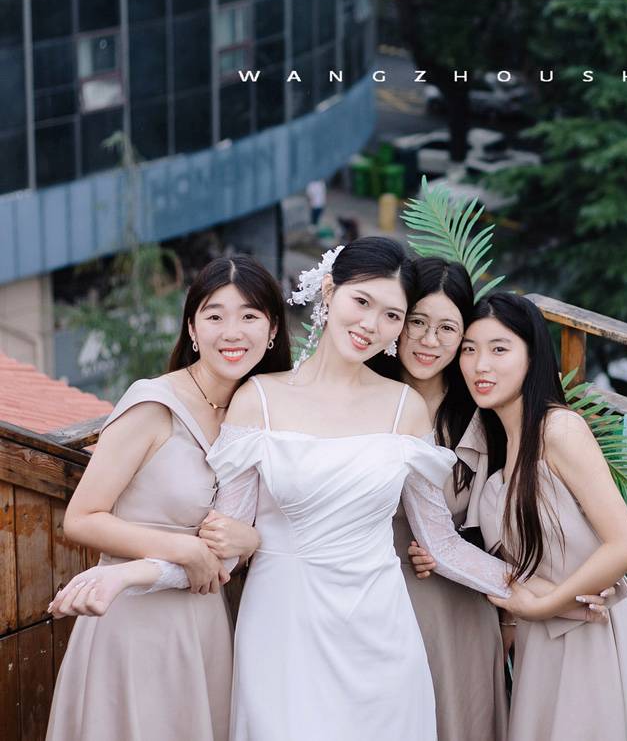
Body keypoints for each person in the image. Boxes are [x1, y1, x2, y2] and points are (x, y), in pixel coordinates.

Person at [74, 238, 591, 741]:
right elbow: (223, 548)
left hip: (381, 634)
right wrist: (129, 574)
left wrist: (551, 595)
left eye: (391, 314)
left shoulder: (404, 408)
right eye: (361, 302)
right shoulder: (258, 399)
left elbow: (443, 544)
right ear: (329, 291)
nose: (371, 324)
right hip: (283, 630)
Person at [45, 255, 292, 741]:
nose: (232, 332)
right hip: (132, 620)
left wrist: (250, 538)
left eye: (249, 316)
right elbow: (82, 517)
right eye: (215, 316)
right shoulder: (153, 404)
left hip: (205, 621)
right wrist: (184, 548)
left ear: (272, 329)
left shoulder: (264, 411)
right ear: (193, 329)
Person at [459, 291, 627, 741]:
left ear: (532, 357)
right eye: (469, 350)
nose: (480, 365)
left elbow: (626, 544)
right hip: (540, 643)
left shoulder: (559, 429)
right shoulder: (498, 447)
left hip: (588, 634)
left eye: (499, 349)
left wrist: (543, 606)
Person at [390, 257, 508, 741]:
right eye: (416, 321)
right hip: (369, 591)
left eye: (446, 328)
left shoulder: (484, 414)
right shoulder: (360, 398)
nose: (428, 340)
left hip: (455, 600)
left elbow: (511, 515)